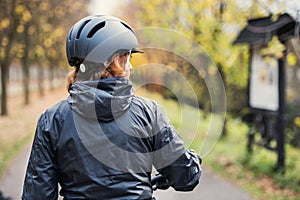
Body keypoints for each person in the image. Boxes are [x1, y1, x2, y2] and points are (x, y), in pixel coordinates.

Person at [22, 15, 202, 200]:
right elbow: (185, 178)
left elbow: (37, 195)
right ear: (118, 61)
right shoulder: (148, 113)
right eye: (128, 58)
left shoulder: (51, 120)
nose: (131, 67)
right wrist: (192, 161)